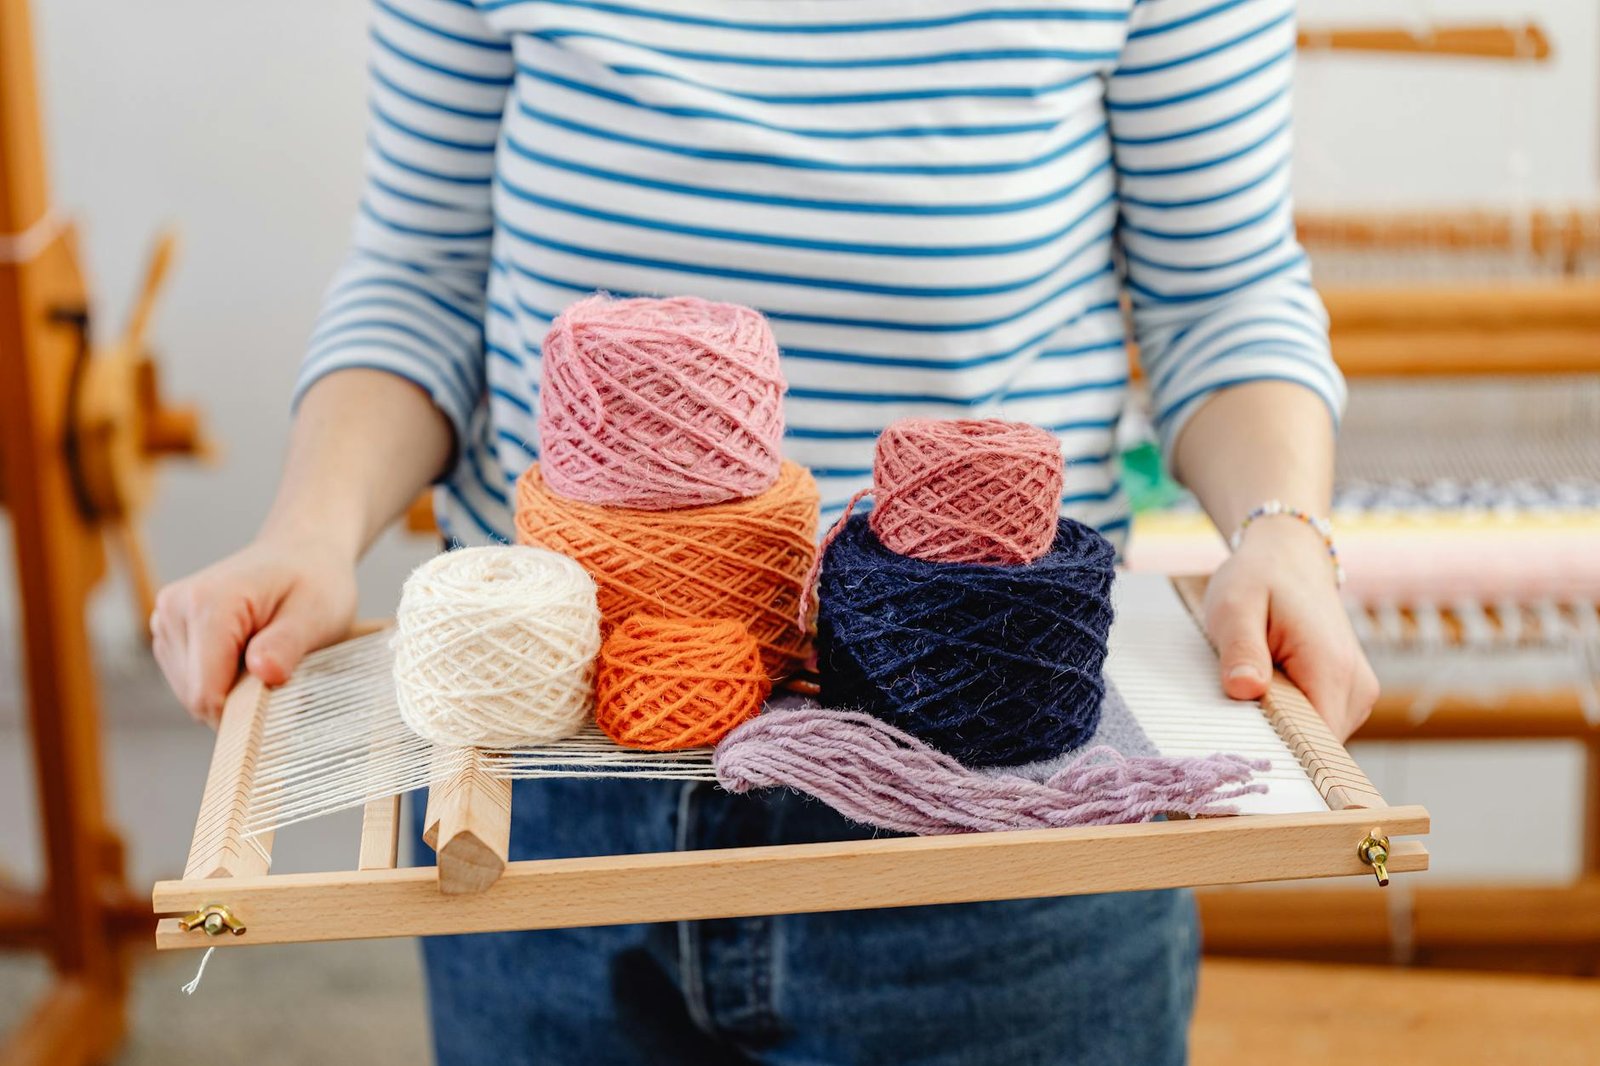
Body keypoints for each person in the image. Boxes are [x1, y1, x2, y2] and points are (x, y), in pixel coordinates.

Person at [152, 1, 1379, 1062]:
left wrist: (1280, 528)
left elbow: (1220, 294)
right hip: (545, 775)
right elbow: (419, 276)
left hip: (989, 789)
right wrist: (311, 529)